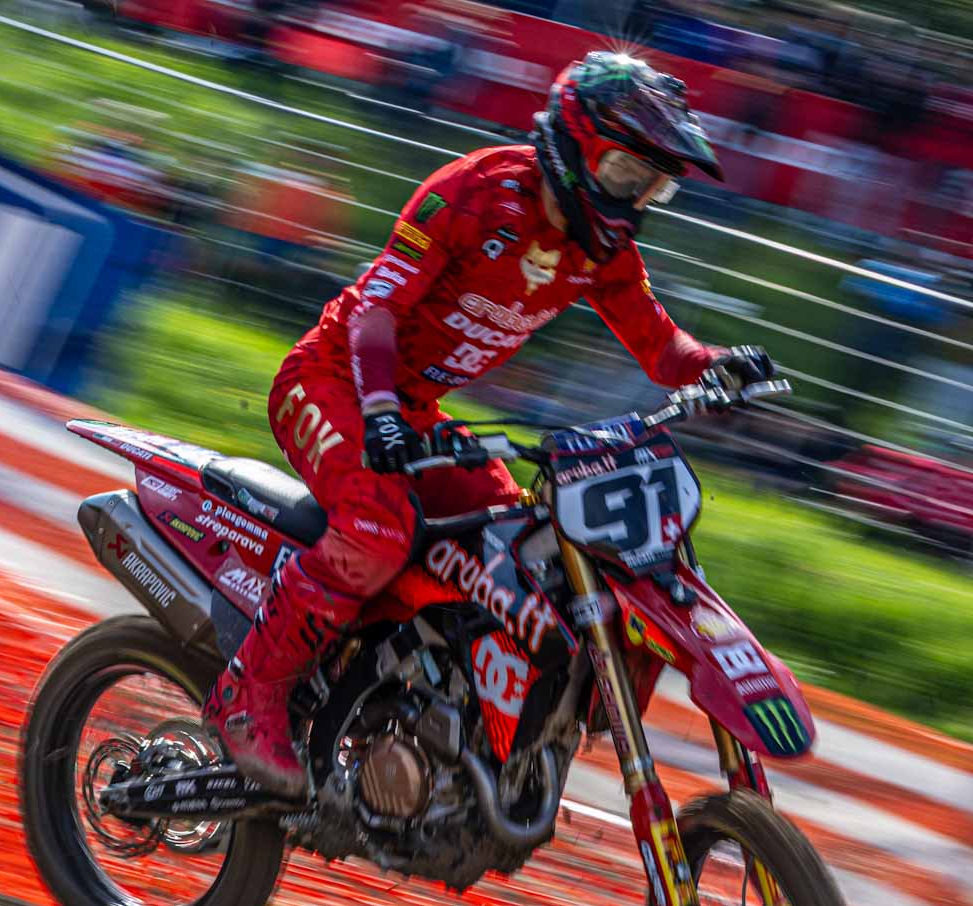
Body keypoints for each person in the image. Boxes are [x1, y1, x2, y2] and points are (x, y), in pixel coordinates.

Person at [203, 51, 776, 797]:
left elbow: (662, 348)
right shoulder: (472, 195)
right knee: (378, 528)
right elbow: (375, 310)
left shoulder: (601, 252)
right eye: (625, 175)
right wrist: (380, 412)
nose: (634, 203)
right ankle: (250, 691)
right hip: (334, 382)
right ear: (572, 148)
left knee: (517, 544)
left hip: (415, 414)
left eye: (652, 188)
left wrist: (717, 366)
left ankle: (407, 702)